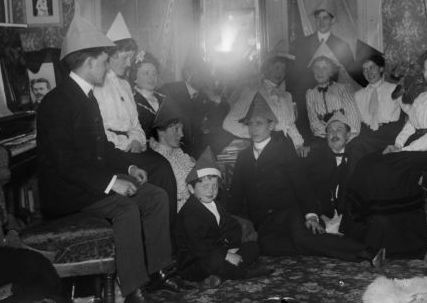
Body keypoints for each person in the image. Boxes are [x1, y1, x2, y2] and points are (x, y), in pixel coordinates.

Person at [36, 14, 176, 303]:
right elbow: (66, 165)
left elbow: (102, 150)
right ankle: (133, 290)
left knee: (155, 196)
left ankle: (157, 272)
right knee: (125, 208)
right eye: (103, 60)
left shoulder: (86, 97)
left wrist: (130, 166)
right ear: (88, 63)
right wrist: (113, 182)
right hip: (68, 194)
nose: (107, 66)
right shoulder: (57, 102)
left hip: (88, 183)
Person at [343, 35, 427, 260]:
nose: (425, 74)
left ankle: (399, 244)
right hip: (415, 146)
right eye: (425, 69)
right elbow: (411, 124)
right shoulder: (423, 96)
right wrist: (397, 144)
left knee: (387, 171)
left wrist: (405, 150)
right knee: (370, 162)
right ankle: (364, 234)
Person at [228, 93, 382, 264]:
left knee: (303, 239)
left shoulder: (283, 150)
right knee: (267, 248)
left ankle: (367, 252)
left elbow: (301, 184)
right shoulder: (243, 157)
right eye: (250, 124)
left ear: (271, 126)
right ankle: (336, 249)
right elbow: (236, 194)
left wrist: (311, 215)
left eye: (259, 123)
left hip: (289, 212)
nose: (253, 129)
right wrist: (232, 225)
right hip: (263, 220)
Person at [93, 13, 178, 232]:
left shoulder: (124, 86)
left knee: (164, 168)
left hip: (134, 145)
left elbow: (136, 124)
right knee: (157, 171)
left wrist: (138, 140)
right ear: (110, 56)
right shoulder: (96, 86)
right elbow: (97, 129)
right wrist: (125, 144)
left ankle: (167, 235)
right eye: (125, 58)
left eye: (131, 58)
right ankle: (151, 235)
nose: (129, 63)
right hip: (110, 149)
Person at [175, 147, 271, 286]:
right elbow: (199, 247)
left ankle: (218, 276)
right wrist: (226, 256)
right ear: (191, 189)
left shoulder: (216, 205)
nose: (211, 191)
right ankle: (240, 272)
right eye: (205, 186)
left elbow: (232, 226)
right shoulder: (189, 214)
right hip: (196, 261)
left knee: (253, 247)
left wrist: (233, 248)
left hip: (219, 251)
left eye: (214, 186)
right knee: (215, 261)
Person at [287, 0, 356, 139]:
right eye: (318, 18)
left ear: (333, 20)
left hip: (334, 102)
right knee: (308, 137)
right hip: (306, 99)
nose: (321, 22)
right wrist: (294, 101)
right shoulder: (303, 44)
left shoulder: (341, 45)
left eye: (325, 18)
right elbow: (294, 74)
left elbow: (350, 75)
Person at [222, 41, 305, 155]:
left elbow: (290, 125)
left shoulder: (286, 96)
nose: (279, 73)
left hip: (287, 147)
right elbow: (229, 123)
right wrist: (258, 132)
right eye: (276, 68)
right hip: (264, 148)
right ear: (266, 69)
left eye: (283, 70)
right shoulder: (253, 90)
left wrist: (299, 145)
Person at [158, 53, 231, 158]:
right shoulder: (170, 90)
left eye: (205, 73)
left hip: (197, 148)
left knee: (224, 135)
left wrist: (217, 100)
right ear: (187, 73)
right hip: (176, 146)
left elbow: (221, 116)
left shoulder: (204, 96)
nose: (204, 77)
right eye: (200, 72)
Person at [350, 41, 405, 165]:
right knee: (352, 147)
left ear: (381, 68)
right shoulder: (358, 96)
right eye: (365, 70)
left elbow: (406, 115)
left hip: (389, 135)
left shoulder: (394, 89)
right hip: (367, 134)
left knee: (358, 149)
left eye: (372, 68)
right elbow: (357, 122)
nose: (369, 73)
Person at [303, 112, 354, 232]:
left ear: (348, 135)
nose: (334, 134)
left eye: (339, 129)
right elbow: (306, 190)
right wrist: (319, 215)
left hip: (348, 216)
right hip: (321, 216)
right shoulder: (313, 158)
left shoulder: (356, 157)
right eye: (330, 130)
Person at [305, 48, 360, 147]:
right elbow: (314, 124)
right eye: (317, 68)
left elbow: (354, 120)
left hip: (348, 139)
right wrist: (330, 137)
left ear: (331, 72)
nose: (320, 72)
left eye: (325, 68)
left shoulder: (344, 88)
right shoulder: (310, 94)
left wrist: (344, 138)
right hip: (323, 140)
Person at [150, 96, 195, 211]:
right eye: (176, 129)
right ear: (161, 132)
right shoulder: (157, 160)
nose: (181, 134)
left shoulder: (179, 152)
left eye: (181, 129)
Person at [130, 51, 166, 139]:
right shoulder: (131, 101)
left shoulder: (164, 98)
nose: (152, 77)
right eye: (146, 73)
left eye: (154, 73)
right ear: (135, 78)